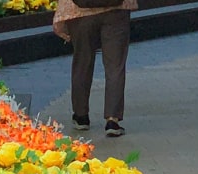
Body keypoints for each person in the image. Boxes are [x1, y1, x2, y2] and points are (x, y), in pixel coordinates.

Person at [53, 0, 137, 137]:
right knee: (115, 66)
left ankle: (81, 116)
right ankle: (112, 120)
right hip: (116, 10)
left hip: (79, 12)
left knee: (82, 63)